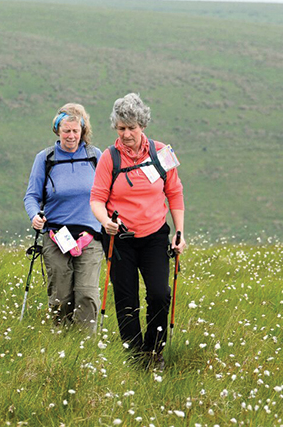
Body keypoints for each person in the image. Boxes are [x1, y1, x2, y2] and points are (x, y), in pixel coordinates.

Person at [90, 93, 186, 371]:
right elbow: (96, 198)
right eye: (121, 128)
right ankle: (135, 359)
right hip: (119, 239)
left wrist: (179, 232)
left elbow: (175, 193)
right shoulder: (109, 158)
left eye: (132, 127)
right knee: (126, 299)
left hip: (155, 236)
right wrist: (105, 220)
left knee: (159, 293)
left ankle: (155, 352)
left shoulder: (162, 153)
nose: (127, 134)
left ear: (142, 125)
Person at [23, 103, 104, 332]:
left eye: (75, 131)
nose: (71, 136)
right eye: (66, 131)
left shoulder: (95, 157)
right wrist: (34, 216)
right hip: (56, 235)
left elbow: (107, 194)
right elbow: (31, 196)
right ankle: (61, 341)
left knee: (87, 293)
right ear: (58, 131)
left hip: (91, 235)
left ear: (83, 130)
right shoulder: (45, 158)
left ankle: (85, 346)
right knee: (60, 295)